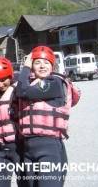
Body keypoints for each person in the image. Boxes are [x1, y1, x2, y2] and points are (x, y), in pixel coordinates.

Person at [16, 46, 80, 187]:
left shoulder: (55, 83)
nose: (42, 66)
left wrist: (25, 68)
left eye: (46, 62)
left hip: (49, 148)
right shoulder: (30, 83)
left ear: (52, 65)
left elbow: (22, 91)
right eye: (37, 62)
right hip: (28, 148)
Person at [0, 57, 21, 187]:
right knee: (0, 184)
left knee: (25, 182)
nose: (0, 84)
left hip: (18, 146)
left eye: (3, 80)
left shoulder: (19, 91)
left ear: (11, 76)